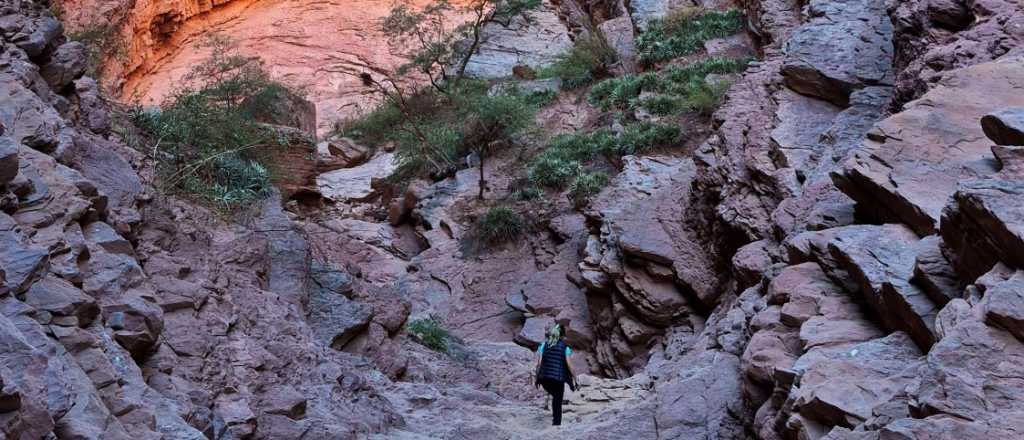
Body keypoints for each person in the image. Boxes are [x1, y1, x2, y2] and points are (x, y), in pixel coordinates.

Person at [534, 324, 577, 426]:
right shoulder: (565, 348)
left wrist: (537, 378)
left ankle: (555, 421)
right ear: (562, 336)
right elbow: (569, 365)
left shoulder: (543, 345)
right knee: (557, 400)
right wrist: (575, 379)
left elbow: (539, 364)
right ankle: (556, 424)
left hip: (545, 378)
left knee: (555, 396)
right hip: (558, 379)